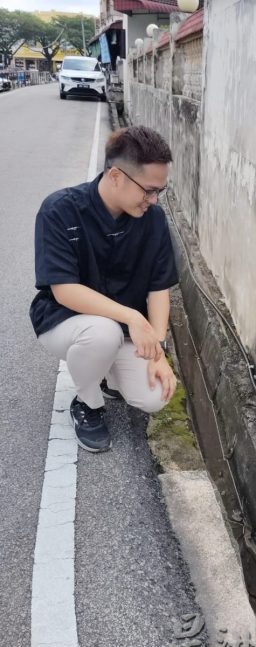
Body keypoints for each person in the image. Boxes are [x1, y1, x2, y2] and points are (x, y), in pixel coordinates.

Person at [29, 126, 178, 453]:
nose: (153, 200)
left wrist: (159, 349)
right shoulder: (59, 211)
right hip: (67, 322)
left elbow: (158, 288)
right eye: (148, 190)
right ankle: (87, 403)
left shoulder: (153, 220)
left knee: (155, 396)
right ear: (115, 176)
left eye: (160, 192)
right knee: (102, 334)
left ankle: (109, 374)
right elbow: (65, 290)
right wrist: (132, 318)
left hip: (123, 331)